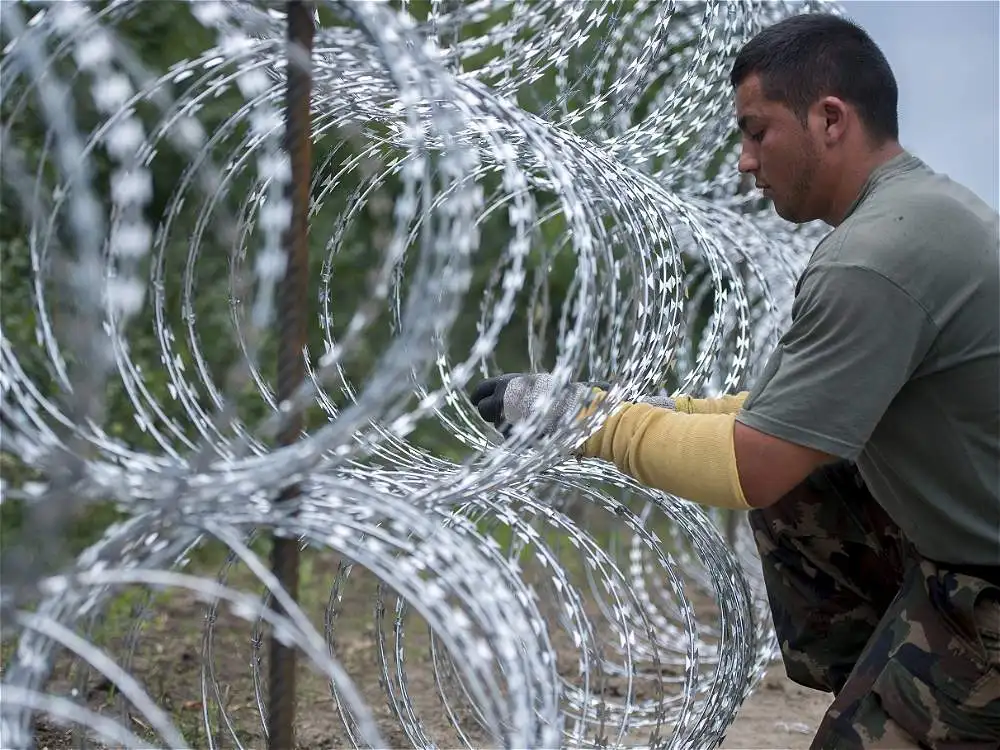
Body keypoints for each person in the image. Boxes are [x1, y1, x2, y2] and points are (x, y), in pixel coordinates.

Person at [469, 12, 1000, 750]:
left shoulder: (876, 256)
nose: (746, 160)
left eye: (757, 131)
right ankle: (899, 677)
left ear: (830, 119)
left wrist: (583, 421)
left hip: (985, 592)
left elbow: (752, 462)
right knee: (808, 471)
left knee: (786, 475)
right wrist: (627, 408)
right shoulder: (918, 214)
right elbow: (777, 412)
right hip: (961, 557)